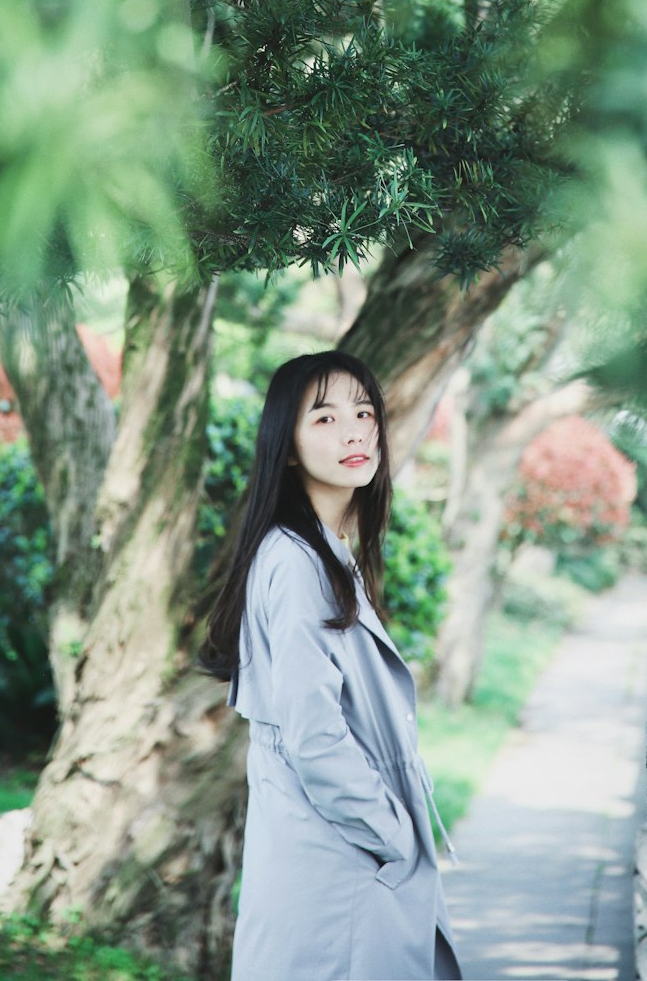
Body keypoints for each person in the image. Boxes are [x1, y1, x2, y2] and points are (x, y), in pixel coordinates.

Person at [201, 350, 462, 981]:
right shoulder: (294, 563)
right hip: (337, 866)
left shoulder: (325, 553)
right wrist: (395, 837)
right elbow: (314, 736)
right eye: (323, 419)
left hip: (338, 857)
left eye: (364, 412)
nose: (354, 431)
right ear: (286, 447)